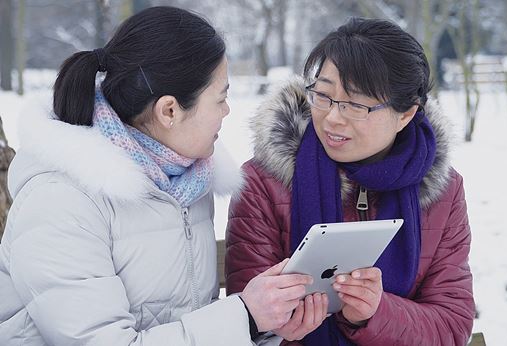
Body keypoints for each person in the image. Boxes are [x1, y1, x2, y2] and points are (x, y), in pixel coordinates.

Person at [0, 6, 312, 345]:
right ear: (169, 111)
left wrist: (262, 328)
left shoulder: (186, 180)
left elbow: (191, 322)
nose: (227, 110)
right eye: (220, 98)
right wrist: (245, 317)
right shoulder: (61, 202)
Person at [226, 17, 475, 345]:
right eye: (324, 96)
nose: (332, 118)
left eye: (356, 105)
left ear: (405, 115)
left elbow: (451, 326)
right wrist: (274, 326)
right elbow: (246, 318)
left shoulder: (443, 190)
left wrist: (376, 312)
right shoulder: (263, 183)